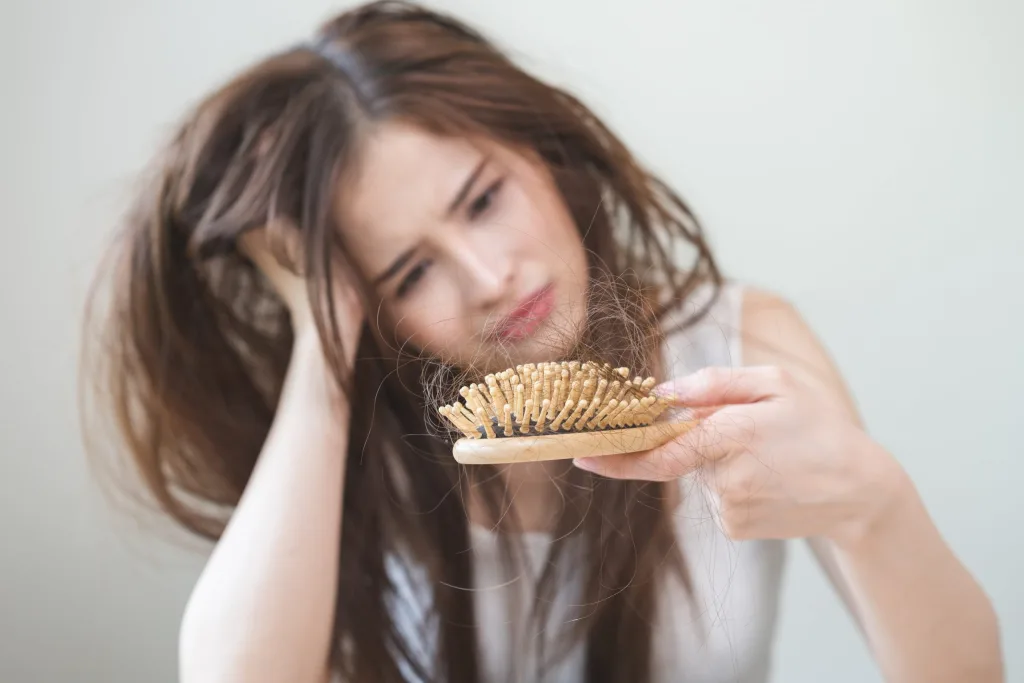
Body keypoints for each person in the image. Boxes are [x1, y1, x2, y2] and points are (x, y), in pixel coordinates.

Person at [81, 2, 1002, 682]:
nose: (488, 278)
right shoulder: (355, 448)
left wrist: (869, 508)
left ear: (541, 151)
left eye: (483, 198)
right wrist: (324, 348)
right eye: (409, 273)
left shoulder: (739, 342)